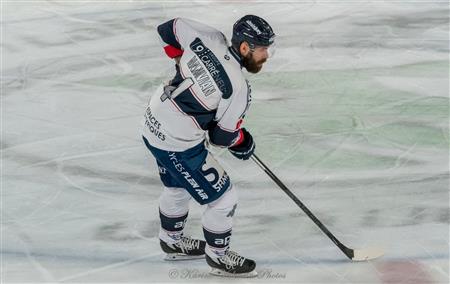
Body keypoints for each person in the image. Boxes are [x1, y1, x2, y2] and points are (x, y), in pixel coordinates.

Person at [142, 15, 275, 277]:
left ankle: (172, 240)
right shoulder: (237, 87)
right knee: (224, 199)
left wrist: (179, 59)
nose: (266, 55)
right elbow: (221, 138)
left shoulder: (209, 38)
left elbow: (167, 29)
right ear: (245, 48)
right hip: (176, 143)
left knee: (177, 185)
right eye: (262, 49)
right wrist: (242, 141)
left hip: (152, 123)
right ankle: (218, 257)